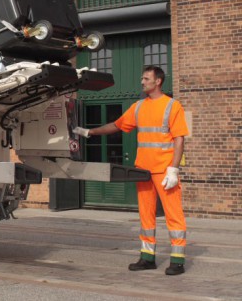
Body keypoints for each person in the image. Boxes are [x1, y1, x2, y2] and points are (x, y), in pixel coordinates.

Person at [73, 65, 188, 276]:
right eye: (142, 78)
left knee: (174, 215)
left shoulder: (173, 106)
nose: (142, 82)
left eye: (146, 78)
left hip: (164, 172)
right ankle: (147, 258)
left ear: (158, 81)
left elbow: (179, 140)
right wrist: (90, 132)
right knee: (146, 217)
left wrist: (174, 169)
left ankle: (177, 260)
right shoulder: (138, 107)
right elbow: (117, 125)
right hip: (143, 170)